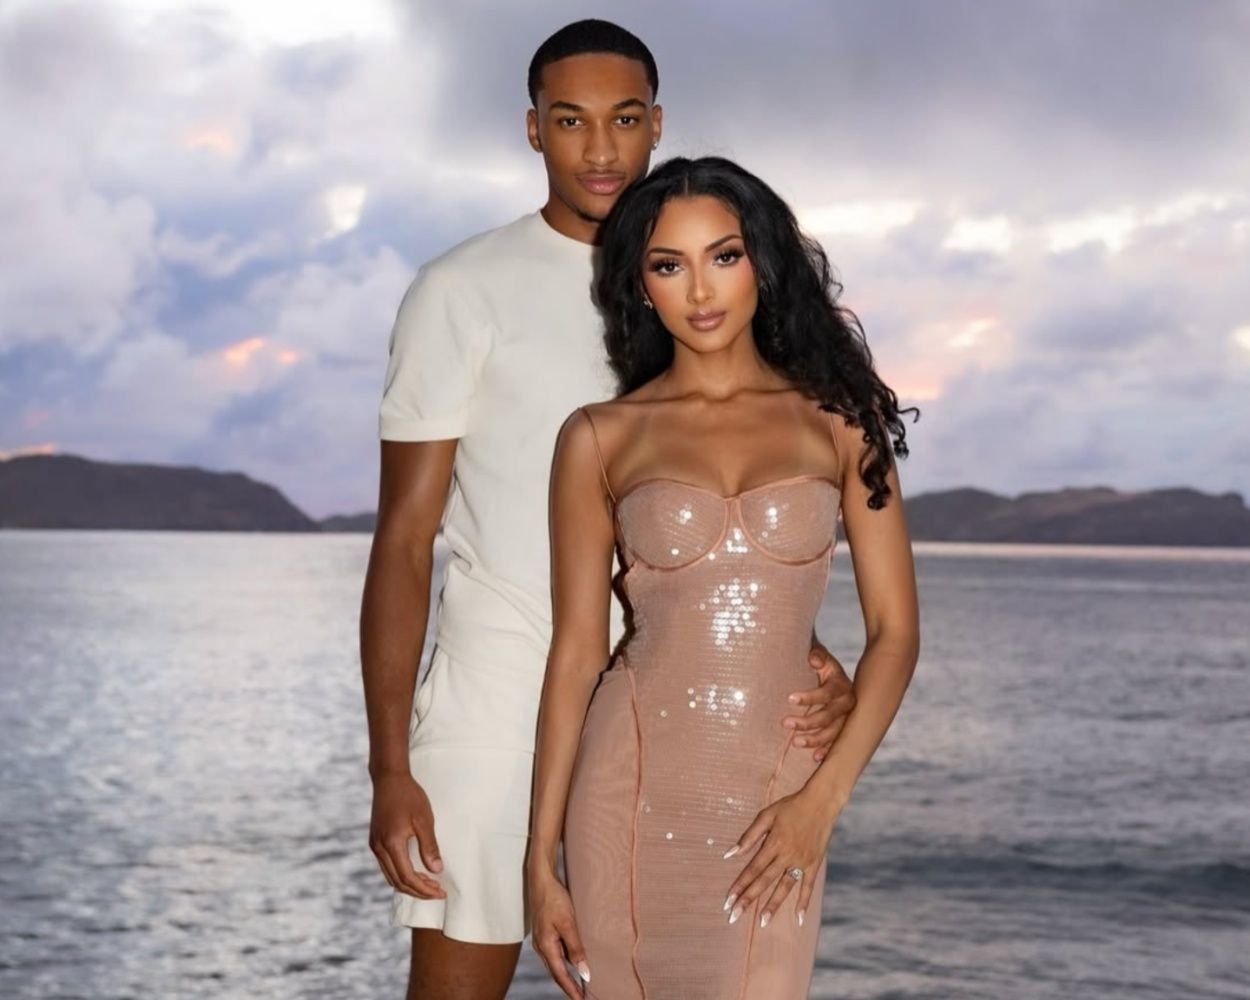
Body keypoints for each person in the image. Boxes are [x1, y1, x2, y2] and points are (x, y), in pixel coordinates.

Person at [360, 21, 858, 1000]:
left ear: (656, 125)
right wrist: (388, 766)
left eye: (624, 120)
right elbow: (405, 541)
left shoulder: (694, 282)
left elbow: (732, 505)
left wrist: (803, 648)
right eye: (570, 121)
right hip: (499, 702)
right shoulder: (459, 291)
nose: (600, 149)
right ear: (532, 130)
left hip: (669, 721)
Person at [526, 156, 921, 1000]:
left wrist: (822, 804)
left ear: (763, 265)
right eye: (669, 265)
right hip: (625, 794)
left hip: (778, 805)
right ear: (640, 286)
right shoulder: (598, 436)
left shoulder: (842, 422)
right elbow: (577, 655)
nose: (700, 291)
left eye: (725, 256)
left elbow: (895, 635)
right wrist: (539, 861)